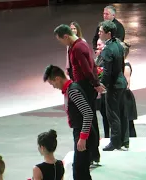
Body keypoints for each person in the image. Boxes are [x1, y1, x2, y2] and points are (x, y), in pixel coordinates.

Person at [53, 24, 103, 164]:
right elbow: (91, 65)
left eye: (60, 40)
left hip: (84, 87)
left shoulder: (77, 48)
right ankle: (93, 154)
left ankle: (91, 154)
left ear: (66, 36)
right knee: (90, 121)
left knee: (87, 120)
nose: (61, 43)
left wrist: (95, 84)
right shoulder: (80, 45)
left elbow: (87, 69)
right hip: (85, 86)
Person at [43, 65, 96, 180]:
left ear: (57, 78)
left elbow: (88, 113)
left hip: (83, 133)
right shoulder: (71, 89)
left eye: (53, 84)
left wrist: (83, 137)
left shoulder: (73, 91)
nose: (54, 87)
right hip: (81, 131)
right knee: (81, 170)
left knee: (79, 170)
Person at [97, 21, 128, 151]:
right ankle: (124, 140)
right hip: (121, 82)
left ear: (108, 33)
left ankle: (115, 142)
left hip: (114, 85)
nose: (99, 33)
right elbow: (121, 65)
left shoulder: (108, 49)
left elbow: (107, 71)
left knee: (113, 114)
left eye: (101, 31)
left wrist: (102, 84)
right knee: (122, 112)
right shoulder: (119, 45)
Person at [120, 41, 138, 137]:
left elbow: (126, 85)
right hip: (122, 96)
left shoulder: (126, 66)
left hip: (126, 97)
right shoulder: (122, 64)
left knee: (128, 123)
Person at [95, 39, 110, 138]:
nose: (97, 47)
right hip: (101, 91)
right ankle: (107, 135)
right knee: (104, 115)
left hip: (106, 91)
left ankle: (109, 135)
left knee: (107, 115)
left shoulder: (106, 57)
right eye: (97, 45)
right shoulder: (99, 57)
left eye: (99, 45)